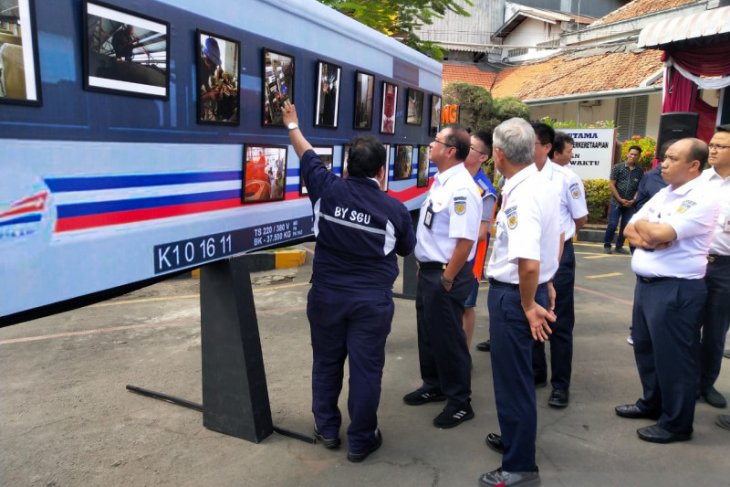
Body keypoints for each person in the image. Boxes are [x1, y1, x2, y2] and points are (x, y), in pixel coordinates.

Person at [281, 102, 416, 462]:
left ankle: (326, 429)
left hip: (326, 297)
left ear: (346, 166)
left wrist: (293, 123)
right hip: (371, 303)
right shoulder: (395, 211)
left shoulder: (327, 189)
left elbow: (306, 153)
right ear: (382, 171)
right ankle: (361, 439)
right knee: (366, 369)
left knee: (326, 363)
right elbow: (406, 249)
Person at [615, 138, 718, 444]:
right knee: (646, 349)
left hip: (676, 288)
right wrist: (652, 236)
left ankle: (676, 424)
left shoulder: (702, 197)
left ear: (694, 165)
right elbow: (630, 228)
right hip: (647, 286)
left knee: (675, 358)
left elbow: (660, 232)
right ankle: (653, 403)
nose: (665, 163)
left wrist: (653, 232)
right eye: (665, 157)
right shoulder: (665, 192)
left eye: (673, 158)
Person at [479, 118, 561, 487]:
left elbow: (528, 260)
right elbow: (555, 236)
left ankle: (520, 466)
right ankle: (516, 440)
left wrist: (529, 303)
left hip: (515, 296)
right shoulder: (538, 182)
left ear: (498, 154)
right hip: (526, 289)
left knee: (513, 383)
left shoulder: (524, 193)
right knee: (517, 379)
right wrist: (547, 281)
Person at [403, 125, 481, 429]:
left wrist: (447, 278)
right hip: (432, 270)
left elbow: (465, 242)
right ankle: (433, 384)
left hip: (447, 275)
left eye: (436, 141)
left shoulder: (461, 188)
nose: (430, 145)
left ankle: (461, 401)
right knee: (428, 333)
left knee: (449, 338)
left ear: (450, 151)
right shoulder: (442, 182)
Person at [534, 129, 588, 408]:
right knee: (530, 311)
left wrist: (561, 237)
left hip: (559, 253)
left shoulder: (567, 178)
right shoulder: (520, 175)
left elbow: (580, 218)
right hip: (530, 253)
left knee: (559, 321)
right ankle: (537, 372)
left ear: (545, 147)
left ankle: (560, 385)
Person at [698, 124, 730, 410]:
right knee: (685, 325)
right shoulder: (699, 180)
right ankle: (684, 380)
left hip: (725, 268)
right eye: (712, 144)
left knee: (715, 330)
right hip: (693, 263)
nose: (713, 149)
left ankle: (706, 383)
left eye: (721, 146)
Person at [462, 131, 497, 349]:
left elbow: (481, 232)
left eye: (470, 147)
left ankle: (462, 354)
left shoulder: (485, 190)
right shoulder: (455, 176)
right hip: (449, 254)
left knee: (465, 306)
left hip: (469, 259)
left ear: (483, 157)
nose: (464, 149)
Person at [603, 145, 643, 254]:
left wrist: (633, 200)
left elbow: (639, 187)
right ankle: (607, 245)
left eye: (636, 155)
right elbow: (611, 184)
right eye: (631, 154)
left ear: (638, 157)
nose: (633, 156)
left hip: (630, 204)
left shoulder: (639, 171)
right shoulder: (618, 167)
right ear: (627, 154)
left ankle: (619, 246)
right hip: (617, 202)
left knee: (625, 225)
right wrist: (620, 199)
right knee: (613, 224)